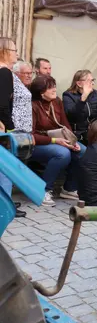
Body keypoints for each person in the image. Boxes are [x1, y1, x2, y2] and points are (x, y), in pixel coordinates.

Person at [30, 75, 86, 206]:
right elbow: (31, 135)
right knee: (62, 154)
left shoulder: (56, 102)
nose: (54, 89)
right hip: (37, 143)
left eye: (54, 86)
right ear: (41, 91)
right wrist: (55, 140)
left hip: (58, 140)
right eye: (50, 87)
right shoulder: (32, 106)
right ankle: (44, 190)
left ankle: (69, 188)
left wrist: (72, 142)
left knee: (83, 151)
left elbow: (65, 125)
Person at [0, 37, 31, 217]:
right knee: (5, 169)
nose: (16, 54)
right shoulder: (4, 72)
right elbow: (2, 105)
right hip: (3, 129)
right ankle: (5, 207)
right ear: (4, 51)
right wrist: (11, 129)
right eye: (14, 50)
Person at [63, 70, 97, 142]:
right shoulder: (68, 95)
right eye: (89, 81)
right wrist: (83, 98)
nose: (93, 83)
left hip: (95, 132)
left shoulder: (96, 94)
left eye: (93, 80)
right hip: (78, 135)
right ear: (79, 84)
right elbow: (72, 116)